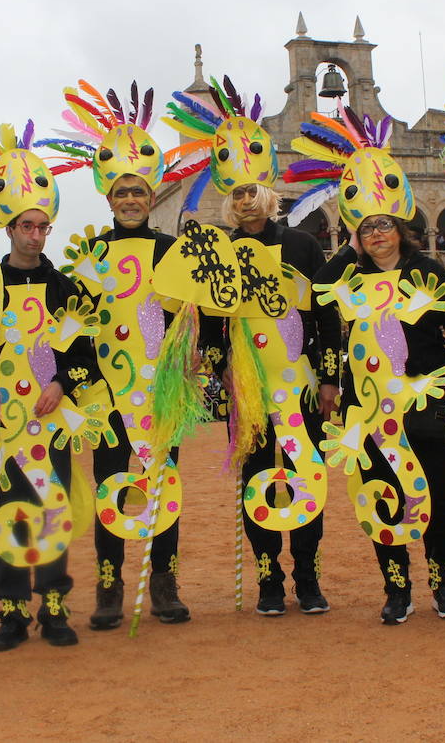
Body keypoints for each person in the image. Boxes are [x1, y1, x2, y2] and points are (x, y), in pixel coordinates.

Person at [296, 112, 445, 623]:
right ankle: (397, 588)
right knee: (381, 495)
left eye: (384, 225)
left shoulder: (428, 270)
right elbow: (317, 296)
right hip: (369, 409)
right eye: (367, 227)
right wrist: (347, 247)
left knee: (437, 498)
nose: (377, 234)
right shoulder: (347, 275)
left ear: (401, 227)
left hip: (426, 402)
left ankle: (443, 583)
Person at [165, 80, 331, 616]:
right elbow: (213, 322)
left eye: (251, 190)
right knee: (256, 477)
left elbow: (325, 316)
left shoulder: (303, 244)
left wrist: (328, 378)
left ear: (268, 190)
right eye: (234, 193)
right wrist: (204, 363)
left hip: (300, 385)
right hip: (247, 389)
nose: (243, 200)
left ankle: (307, 577)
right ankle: (267, 580)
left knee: (305, 474)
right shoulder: (224, 249)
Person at [0, 116, 104, 650]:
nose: (34, 235)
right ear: (8, 228)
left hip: (50, 419)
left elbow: (82, 348)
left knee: (51, 507)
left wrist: (65, 387)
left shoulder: (65, 286)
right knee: (7, 510)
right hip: (2, 421)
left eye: (41, 227)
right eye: (25, 227)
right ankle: (11, 612)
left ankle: (54, 607)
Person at [43, 82, 197, 630]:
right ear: (108, 197)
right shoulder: (88, 257)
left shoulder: (172, 252)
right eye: (121, 192)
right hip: (104, 399)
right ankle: (110, 586)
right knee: (113, 483)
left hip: (160, 393)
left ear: (150, 195)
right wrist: (86, 385)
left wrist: (184, 362)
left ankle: (164, 581)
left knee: (162, 486)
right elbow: (74, 333)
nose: (130, 199)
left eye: (138, 191)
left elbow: (184, 321)